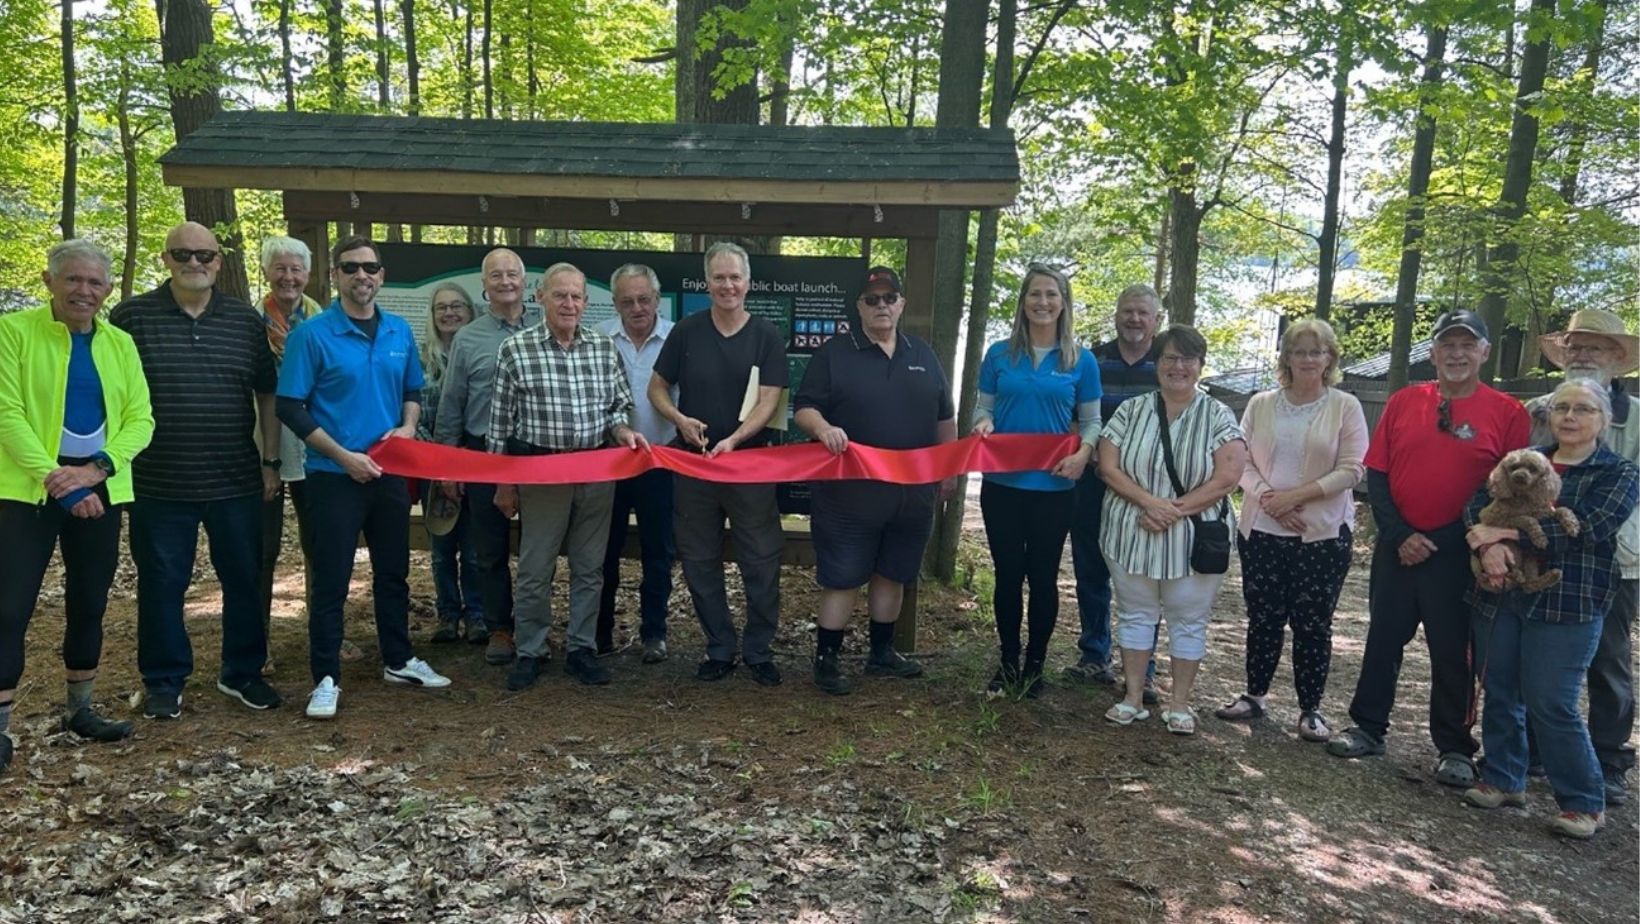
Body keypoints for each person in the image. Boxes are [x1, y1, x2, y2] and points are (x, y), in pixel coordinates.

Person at [1328, 310, 1530, 787]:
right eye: (1448, 345)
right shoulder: (1403, 402)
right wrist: (1399, 534)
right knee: (1383, 639)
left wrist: (1451, 537)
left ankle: (1455, 747)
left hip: (1461, 552)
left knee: (1451, 650)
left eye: (1468, 345)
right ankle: (1368, 726)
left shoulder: (1508, 413)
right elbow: (1377, 472)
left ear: (1484, 352)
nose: (1457, 354)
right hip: (1399, 547)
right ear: (1434, 352)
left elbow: (1510, 491)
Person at [111, 222, 283, 719]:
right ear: (166, 259)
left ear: (218, 263)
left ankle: (242, 672)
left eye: (205, 256)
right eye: (183, 254)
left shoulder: (244, 320)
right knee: (163, 582)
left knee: (244, 577)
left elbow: (266, 393)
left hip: (236, 479)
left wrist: (270, 460)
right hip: (157, 481)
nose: (195, 263)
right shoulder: (131, 318)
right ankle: (164, 680)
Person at [276, 236, 451, 720]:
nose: (362, 276)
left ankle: (398, 660)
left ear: (382, 274)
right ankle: (326, 678)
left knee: (392, 573)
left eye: (370, 268)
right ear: (335, 275)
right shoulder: (311, 335)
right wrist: (343, 455)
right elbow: (291, 406)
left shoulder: (397, 332)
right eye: (350, 268)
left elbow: (413, 391)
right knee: (331, 580)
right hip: (333, 475)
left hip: (389, 474)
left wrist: (409, 427)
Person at [0, 239, 154, 774]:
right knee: (9, 606)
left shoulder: (121, 344)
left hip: (100, 484)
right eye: (72, 280)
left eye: (94, 283)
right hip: (26, 488)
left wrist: (97, 472)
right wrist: (58, 481)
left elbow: (141, 418)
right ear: (49, 281)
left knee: (89, 601)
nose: (83, 291)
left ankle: (80, 710)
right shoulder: (13, 332)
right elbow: (7, 412)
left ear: (108, 290)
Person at [1463, 379, 1639, 839]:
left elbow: (1593, 530)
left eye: (1583, 408)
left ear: (1603, 419)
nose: (1570, 416)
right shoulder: (1525, 459)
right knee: (1500, 688)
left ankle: (1582, 800)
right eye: (1561, 407)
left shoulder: (1616, 473)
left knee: (1551, 701)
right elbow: (1476, 505)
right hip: (1501, 593)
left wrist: (1507, 536)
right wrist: (1488, 549)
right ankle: (1503, 778)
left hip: (1571, 601)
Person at [794, 266, 957, 695]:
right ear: (859, 307)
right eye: (872, 299)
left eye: (889, 298)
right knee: (843, 577)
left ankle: (881, 653)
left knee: (894, 572)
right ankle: (826, 660)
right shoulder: (833, 354)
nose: (881, 306)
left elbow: (945, 416)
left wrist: (949, 470)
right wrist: (822, 428)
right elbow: (804, 408)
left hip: (913, 495)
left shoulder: (922, 354)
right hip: (849, 495)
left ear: (901, 304)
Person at [489, 263, 643, 690]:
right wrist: (504, 482)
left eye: (576, 297)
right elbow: (500, 423)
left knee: (590, 567)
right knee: (536, 568)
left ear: (586, 303)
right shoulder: (516, 350)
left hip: (596, 469)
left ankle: (581, 648)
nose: (569, 304)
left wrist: (625, 431)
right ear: (541, 297)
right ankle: (531, 649)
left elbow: (617, 406)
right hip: (543, 471)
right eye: (560, 296)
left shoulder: (601, 347)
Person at [1215, 319, 1366, 741]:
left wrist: (1296, 497)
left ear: (1329, 358)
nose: (1307, 359)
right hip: (1262, 529)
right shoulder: (1261, 404)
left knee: (1312, 622)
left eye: (1316, 352)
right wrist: (1270, 500)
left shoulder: (1344, 406)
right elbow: (1239, 461)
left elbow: (1353, 469)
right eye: (1299, 351)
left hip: (1321, 533)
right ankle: (1254, 695)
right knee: (1263, 616)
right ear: (1286, 358)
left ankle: (1310, 709)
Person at [648, 242, 789, 686]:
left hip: (749, 466)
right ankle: (720, 647)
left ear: (748, 283)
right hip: (695, 468)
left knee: (762, 560)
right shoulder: (687, 332)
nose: (727, 285)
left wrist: (734, 440)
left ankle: (759, 649)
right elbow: (656, 388)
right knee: (698, 560)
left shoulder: (766, 334)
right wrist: (678, 419)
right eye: (719, 277)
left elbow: (769, 401)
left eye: (735, 277)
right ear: (706, 283)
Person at [1098, 324, 1245, 733]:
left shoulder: (1218, 414)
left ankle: (1179, 704)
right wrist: (1150, 504)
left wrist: (1170, 510)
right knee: (1134, 614)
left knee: (1188, 619)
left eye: (1187, 359)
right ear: (1156, 364)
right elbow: (1107, 466)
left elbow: (1227, 477)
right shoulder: (1132, 410)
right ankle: (1132, 697)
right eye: (1169, 358)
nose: (1177, 366)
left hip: (1193, 536)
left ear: (1200, 364)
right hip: (1131, 529)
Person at [1524, 309, 1639, 804]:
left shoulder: (1636, 415)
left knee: (1608, 659)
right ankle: (1533, 752)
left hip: (1617, 555)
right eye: (1576, 346)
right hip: (1544, 550)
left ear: (1617, 358)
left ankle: (1608, 760)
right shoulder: (1538, 413)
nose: (1584, 354)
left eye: (1596, 346)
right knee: (1535, 652)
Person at [974, 264, 1102, 699]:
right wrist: (983, 424)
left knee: (1043, 577)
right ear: (1023, 302)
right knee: (1008, 575)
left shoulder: (1080, 360)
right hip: (1003, 485)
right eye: (1034, 294)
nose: (1042, 302)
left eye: (1051, 294)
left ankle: (1035, 667)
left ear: (1063, 302)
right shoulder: (998, 354)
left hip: (1055, 487)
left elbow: (1091, 422)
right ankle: (1008, 661)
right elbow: (982, 409)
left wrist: (1084, 455)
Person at [434, 248, 542, 666]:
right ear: (485, 285)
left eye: (512, 274)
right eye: (495, 275)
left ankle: (534, 628)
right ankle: (499, 627)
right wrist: (446, 466)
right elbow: (451, 406)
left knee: (538, 549)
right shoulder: (469, 338)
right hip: (483, 456)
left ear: (525, 282)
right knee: (488, 550)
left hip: (536, 455)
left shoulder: (546, 327)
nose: (505, 281)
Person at [1065, 284, 1163, 703]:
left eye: (1143, 313)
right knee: (1090, 569)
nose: (1134, 319)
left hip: (1144, 488)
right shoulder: (1092, 360)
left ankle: (1145, 669)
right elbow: (1074, 416)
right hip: (1091, 482)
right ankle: (1094, 654)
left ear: (1156, 319)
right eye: (1128, 311)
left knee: (1144, 579)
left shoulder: (1167, 363)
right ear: (1117, 315)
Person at [253, 236, 327, 677]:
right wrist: (267, 458)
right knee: (262, 549)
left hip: (314, 445)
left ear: (308, 273)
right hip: (263, 446)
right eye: (280, 268)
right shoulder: (249, 321)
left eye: (296, 269)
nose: (289, 277)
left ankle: (324, 631)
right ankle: (256, 640)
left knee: (320, 546)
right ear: (266, 272)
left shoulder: (322, 320)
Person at [596, 264, 676, 664]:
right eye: (627, 301)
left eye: (644, 299)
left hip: (660, 462)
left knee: (658, 552)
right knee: (602, 551)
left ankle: (654, 633)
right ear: (615, 304)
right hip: (609, 461)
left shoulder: (678, 337)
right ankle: (600, 633)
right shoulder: (597, 337)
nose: (637, 307)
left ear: (657, 299)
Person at [418, 282, 485, 645]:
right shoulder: (421, 358)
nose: (449, 313)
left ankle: (476, 615)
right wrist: (439, 459)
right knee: (442, 550)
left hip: (474, 464)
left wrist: (461, 460)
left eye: (457, 306)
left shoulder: (479, 350)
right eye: (441, 307)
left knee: (473, 551)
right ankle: (447, 616)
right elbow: (410, 412)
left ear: (470, 311)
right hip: (432, 467)